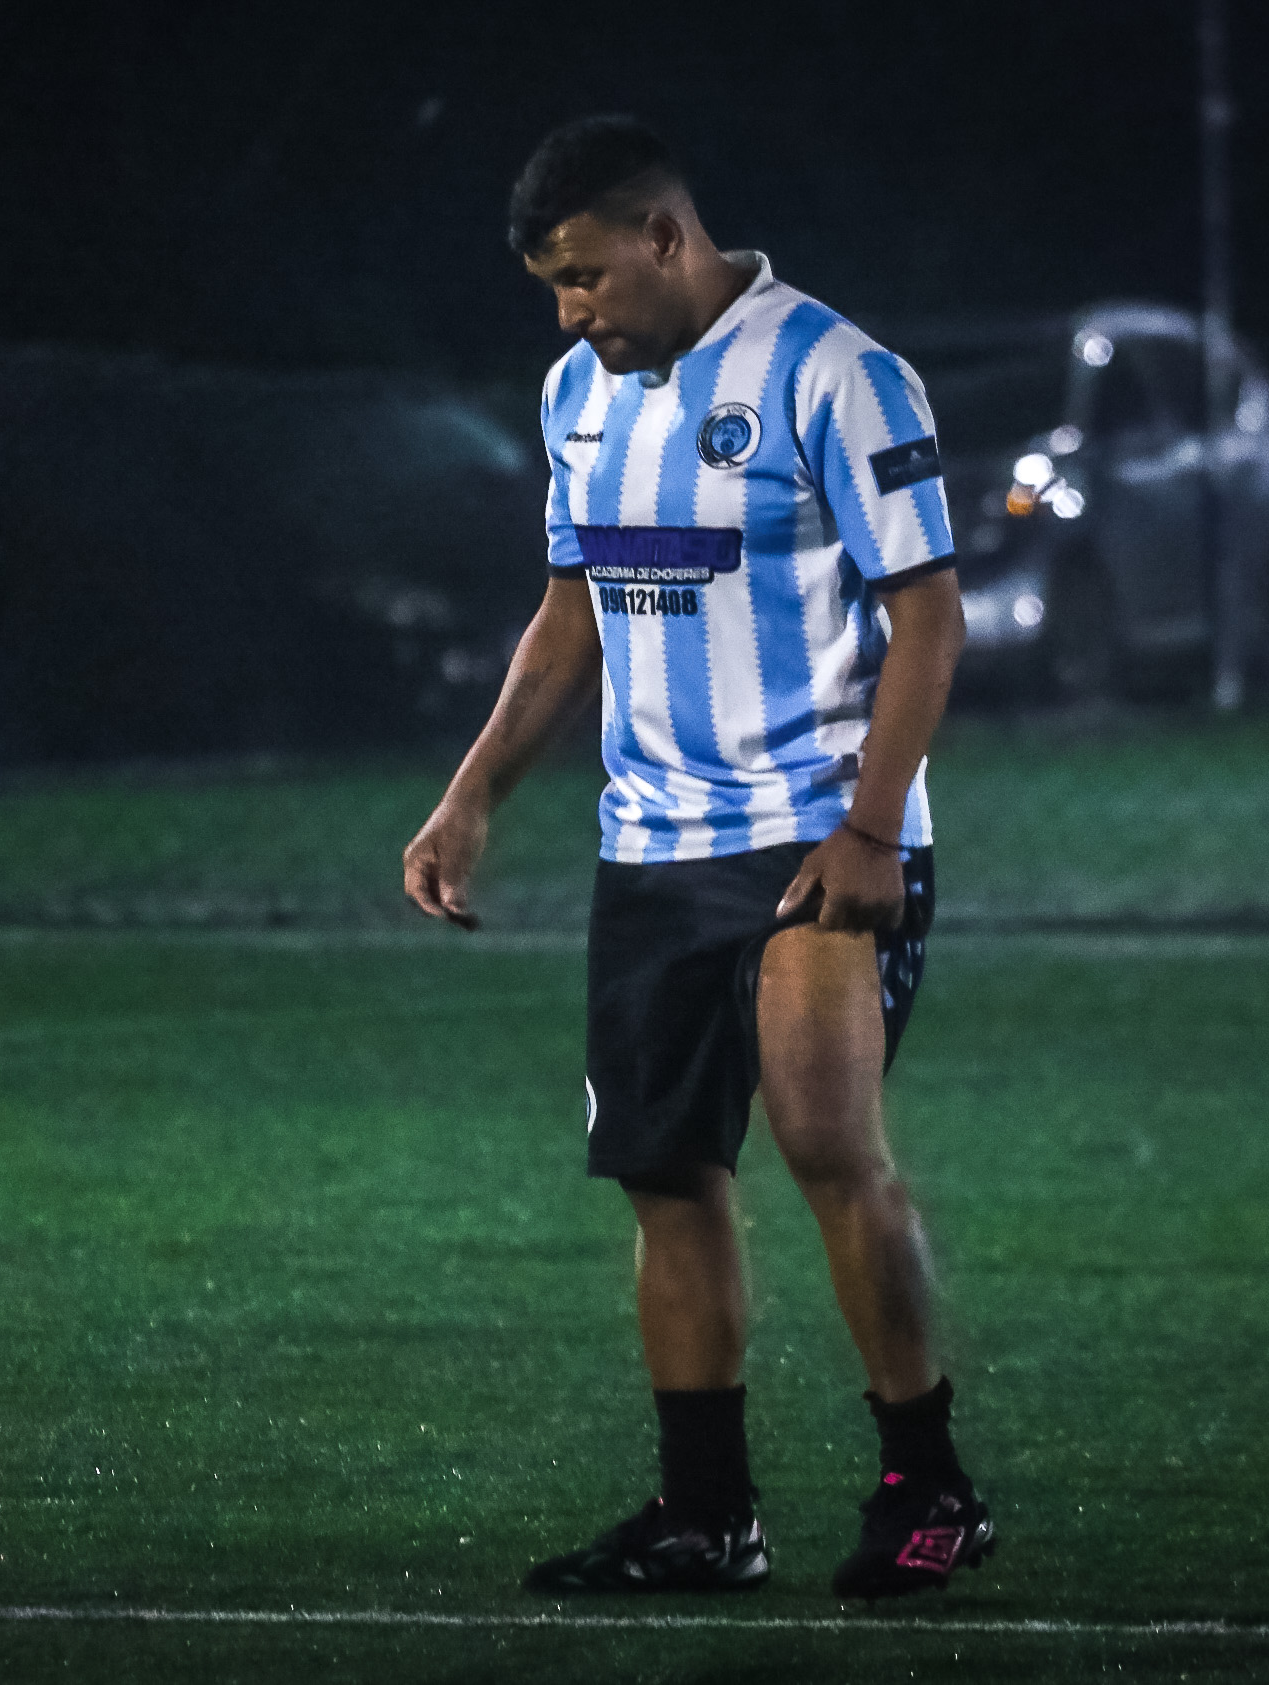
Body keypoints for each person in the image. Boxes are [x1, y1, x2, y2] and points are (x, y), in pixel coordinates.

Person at [402, 116, 991, 1600]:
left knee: (826, 1144)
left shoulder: (838, 372)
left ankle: (931, 1485)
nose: (569, 314)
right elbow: (571, 614)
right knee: (666, 1174)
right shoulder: (576, 396)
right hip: (652, 844)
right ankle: (707, 1517)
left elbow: (929, 613)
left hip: (814, 837)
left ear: (665, 236)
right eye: (552, 288)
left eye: (585, 277)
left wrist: (873, 824)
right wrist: (473, 794)